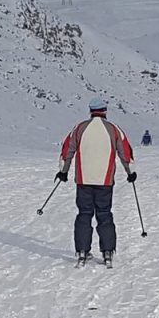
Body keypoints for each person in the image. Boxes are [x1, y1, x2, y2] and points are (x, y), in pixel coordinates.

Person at [57, 98, 136, 265]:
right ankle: (107, 252)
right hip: (105, 180)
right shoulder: (113, 129)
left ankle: (82, 252)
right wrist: (131, 173)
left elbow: (67, 151)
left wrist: (63, 172)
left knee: (84, 214)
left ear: (91, 110)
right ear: (105, 110)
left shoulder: (80, 128)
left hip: (83, 180)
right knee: (104, 214)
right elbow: (125, 152)